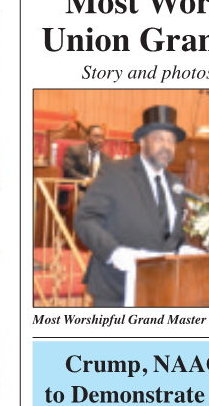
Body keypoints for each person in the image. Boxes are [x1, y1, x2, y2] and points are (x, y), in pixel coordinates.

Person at [74, 104, 190, 308]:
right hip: (116, 289)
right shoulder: (115, 172)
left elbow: (172, 236)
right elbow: (85, 220)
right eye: (159, 138)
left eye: (171, 140)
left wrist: (186, 249)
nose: (166, 145)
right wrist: (114, 252)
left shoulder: (176, 184)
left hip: (160, 289)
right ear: (142, 141)